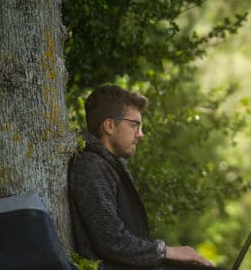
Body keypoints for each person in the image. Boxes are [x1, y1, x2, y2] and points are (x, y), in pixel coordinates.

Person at [68, 84, 212, 270]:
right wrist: (169, 251)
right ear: (109, 125)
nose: (141, 134)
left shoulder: (110, 165)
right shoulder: (91, 167)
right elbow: (111, 241)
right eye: (134, 125)